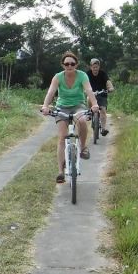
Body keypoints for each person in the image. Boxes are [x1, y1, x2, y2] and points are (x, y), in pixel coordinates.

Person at [41, 51, 100, 183]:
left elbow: (89, 90)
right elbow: (51, 92)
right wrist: (45, 106)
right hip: (62, 107)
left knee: (83, 121)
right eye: (66, 63)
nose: (69, 66)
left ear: (76, 64)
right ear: (63, 65)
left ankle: (83, 147)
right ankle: (61, 172)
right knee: (62, 137)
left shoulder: (82, 75)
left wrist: (95, 104)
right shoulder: (58, 77)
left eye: (72, 63)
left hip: (78, 105)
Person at [86, 58, 115, 136]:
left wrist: (110, 88)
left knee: (103, 110)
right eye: (93, 67)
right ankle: (89, 113)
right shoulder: (87, 74)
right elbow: (84, 83)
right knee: (88, 98)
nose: (95, 68)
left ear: (99, 67)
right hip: (92, 94)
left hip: (102, 94)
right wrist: (85, 90)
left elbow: (108, 82)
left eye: (97, 66)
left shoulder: (103, 73)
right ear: (91, 67)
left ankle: (103, 129)